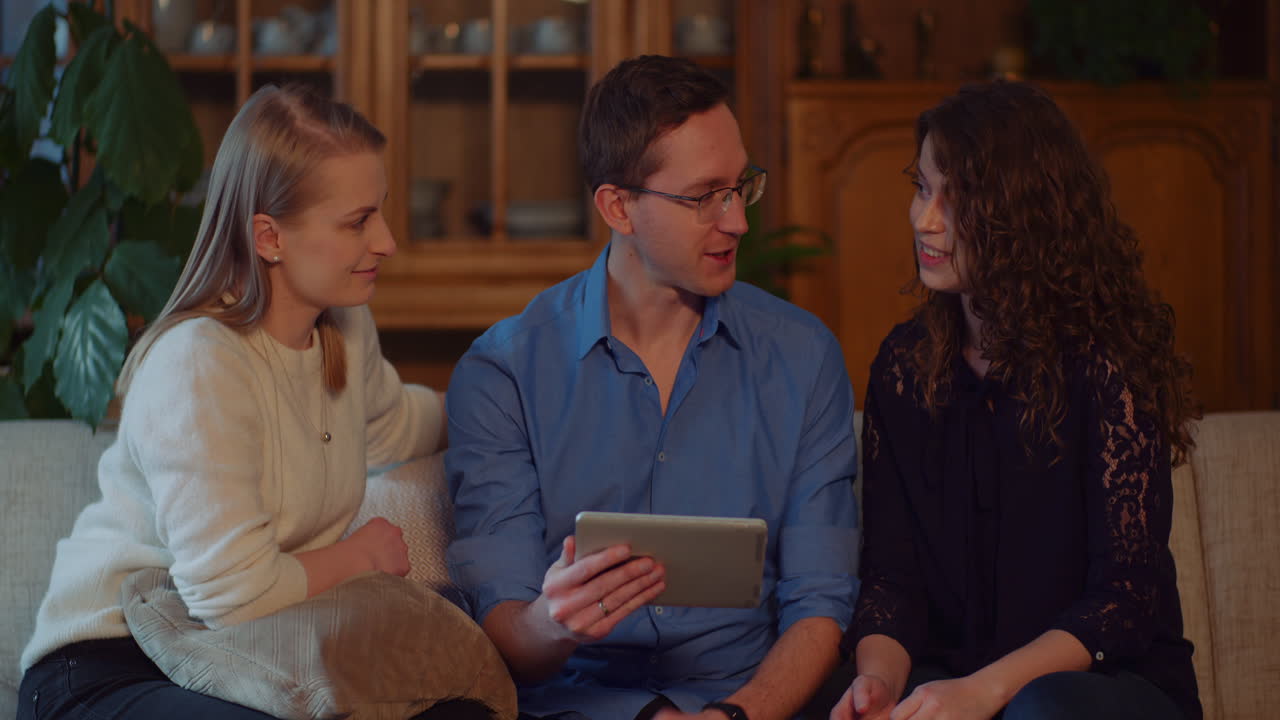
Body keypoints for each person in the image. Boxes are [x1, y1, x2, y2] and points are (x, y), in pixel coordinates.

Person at [15, 84, 479, 719]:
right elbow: (232, 597)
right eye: (357, 222)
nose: (387, 242)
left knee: (461, 705)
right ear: (269, 237)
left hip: (238, 654)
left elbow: (398, 427)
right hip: (110, 664)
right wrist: (359, 557)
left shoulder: (342, 328)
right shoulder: (199, 363)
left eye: (382, 213)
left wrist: (511, 404)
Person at [446, 55, 860, 720]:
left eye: (740, 188)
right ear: (618, 206)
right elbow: (510, 633)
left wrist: (735, 716)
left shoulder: (803, 355)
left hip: (753, 700)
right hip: (582, 705)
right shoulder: (503, 374)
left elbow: (821, 601)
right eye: (703, 198)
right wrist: (556, 620)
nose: (737, 222)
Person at [831, 81, 1202, 720]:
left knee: (1041, 710)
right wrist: (878, 684)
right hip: (956, 682)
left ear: (1027, 213)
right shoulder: (903, 365)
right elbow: (892, 583)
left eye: (958, 198)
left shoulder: (1106, 363)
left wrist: (986, 691)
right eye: (922, 187)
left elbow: (1121, 602)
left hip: (1104, 689)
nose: (926, 219)